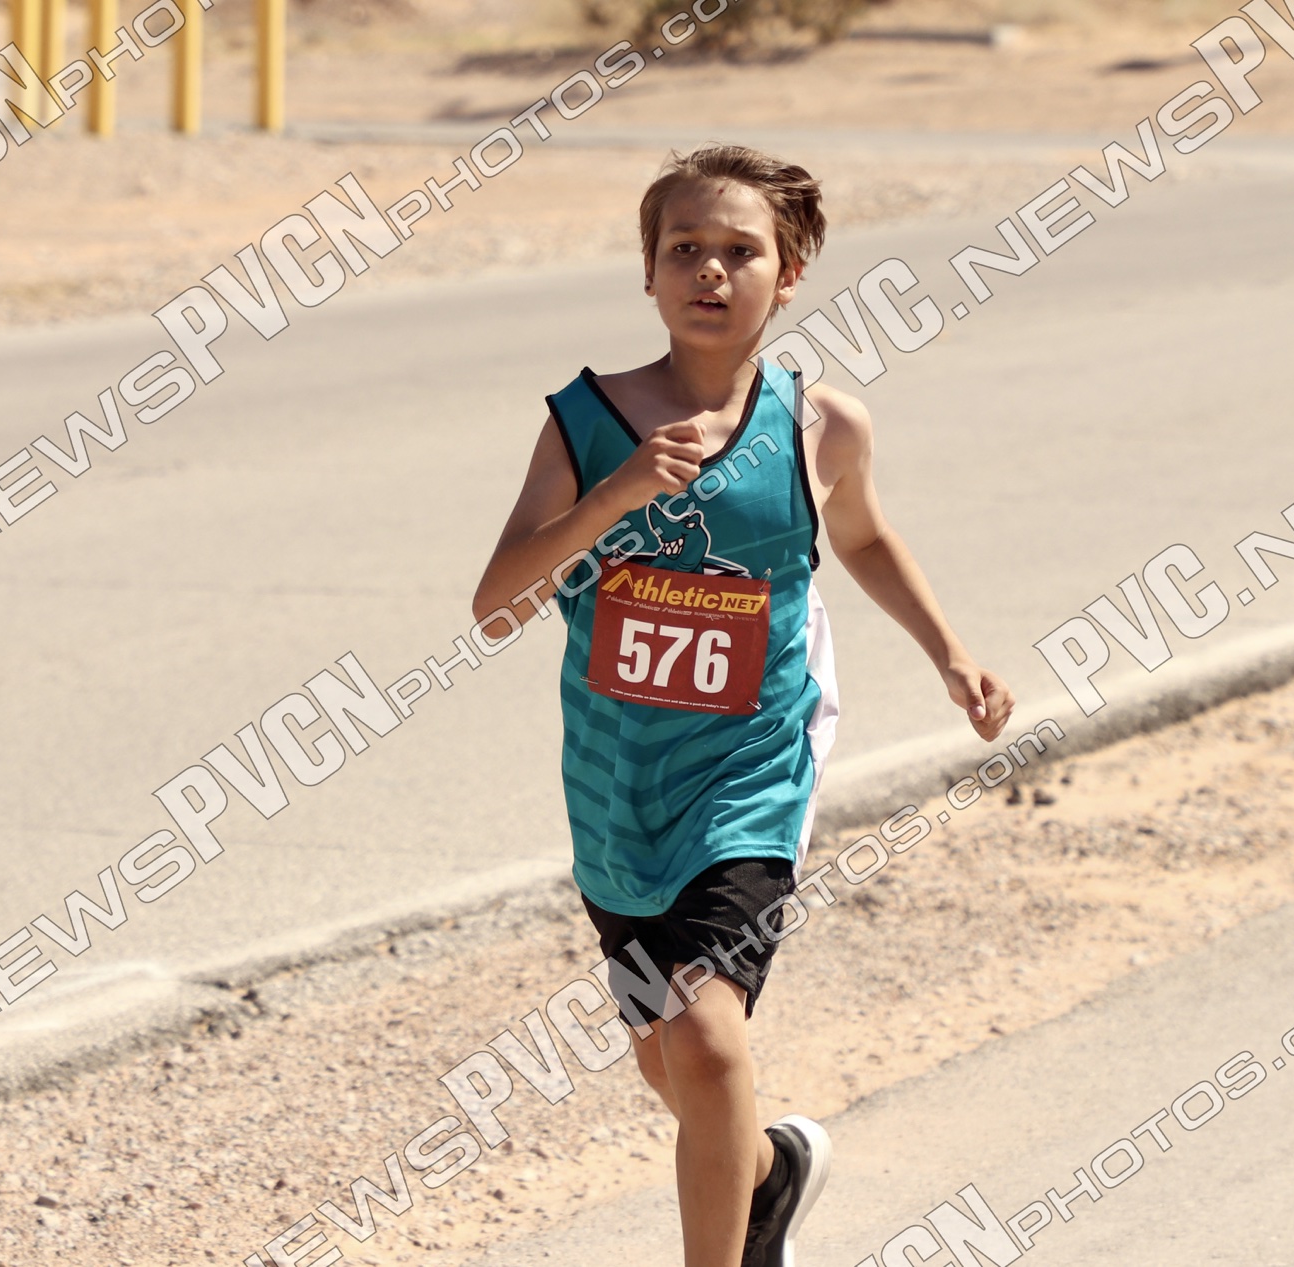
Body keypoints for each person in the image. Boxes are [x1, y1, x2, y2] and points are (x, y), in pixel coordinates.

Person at [472, 144, 1015, 1267]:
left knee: (709, 1036)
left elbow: (863, 536)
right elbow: (497, 605)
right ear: (647, 271)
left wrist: (951, 653)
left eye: (740, 251)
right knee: (666, 1053)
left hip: (753, 773)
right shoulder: (585, 422)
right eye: (684, 249)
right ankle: (766, 1175)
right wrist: (619, 493)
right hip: (617, 786)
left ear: (790, 273)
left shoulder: (822, 426)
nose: (709, 271)